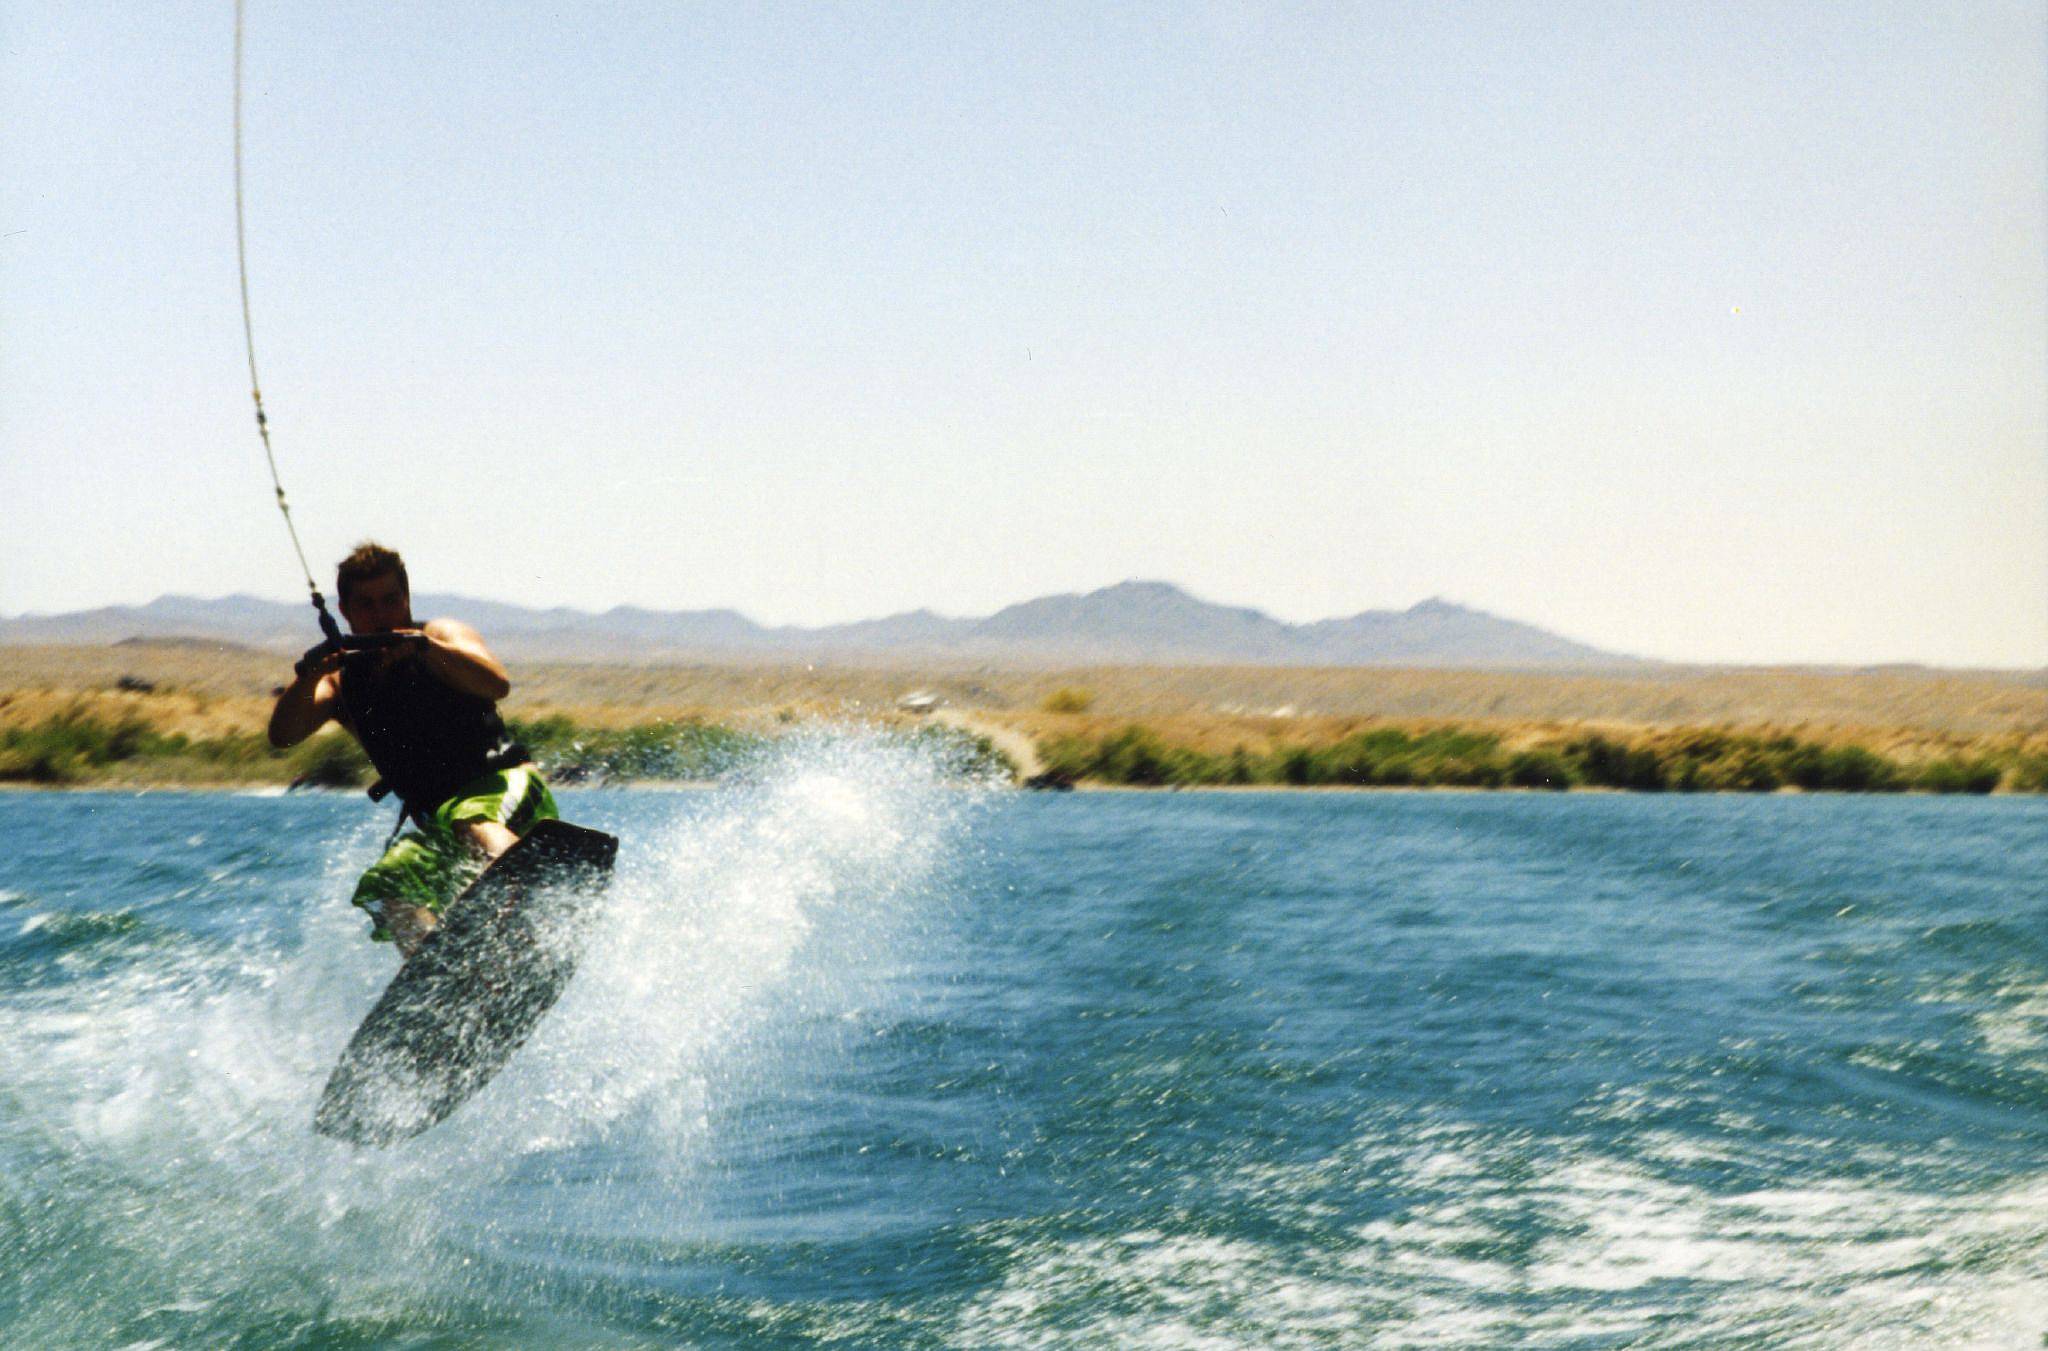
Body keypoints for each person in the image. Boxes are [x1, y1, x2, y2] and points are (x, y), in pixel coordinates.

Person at [268, 542, 556, 957]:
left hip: (504, 786)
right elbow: (283, 735)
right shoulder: (338, 683)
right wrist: (308, 676)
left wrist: (427, 649)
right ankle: (440, 976)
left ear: (406, 598)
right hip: (440, 824)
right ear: (345, 611)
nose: (381, 614)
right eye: (366, 605)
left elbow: (497, 683)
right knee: (391, 882)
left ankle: (535, 903)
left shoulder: (441, 636)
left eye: (390, 600)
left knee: (469, 819)